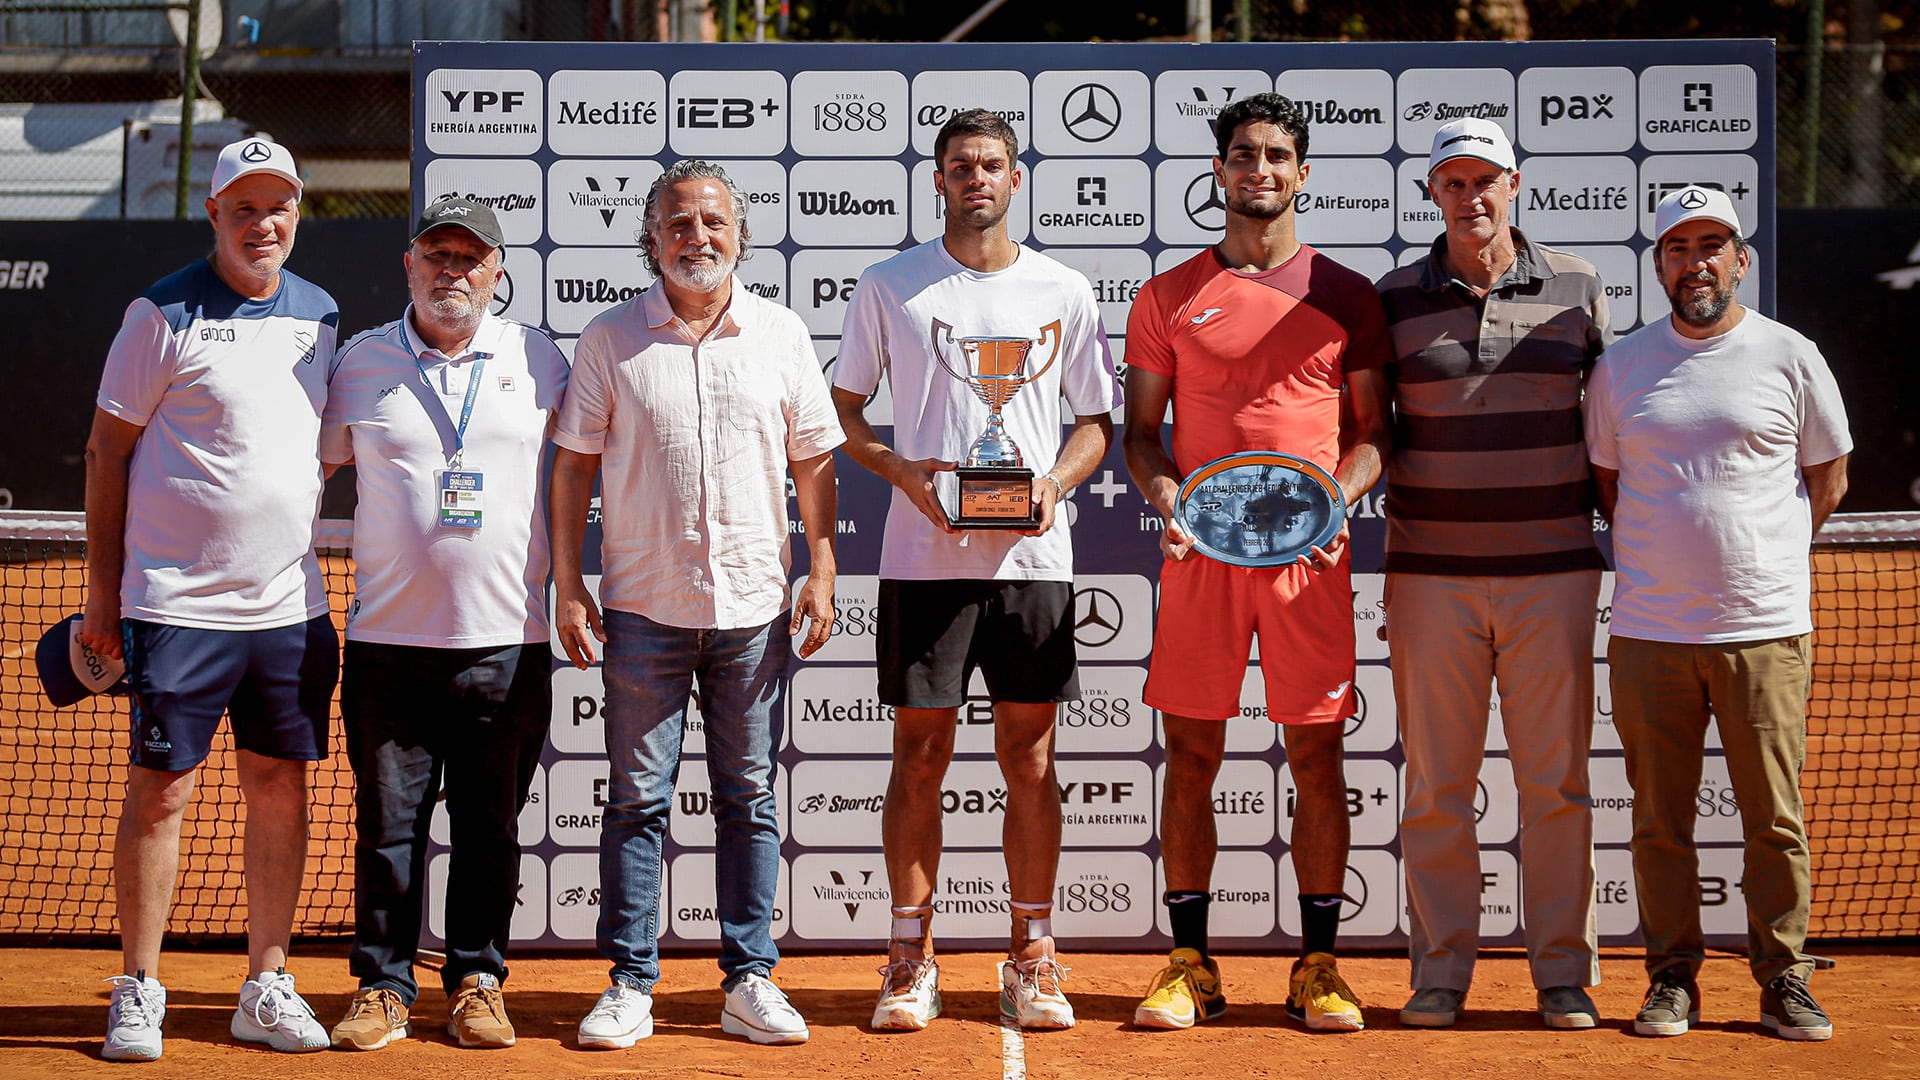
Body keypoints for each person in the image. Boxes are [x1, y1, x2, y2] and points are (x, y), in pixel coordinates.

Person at [832, 108, 1119, 1032]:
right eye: (960, 165)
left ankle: (1032, 953)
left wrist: (1054, 487)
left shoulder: (1064, 289)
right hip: (924, 561)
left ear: (1016, 178)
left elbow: (1094, 422)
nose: (976, 178)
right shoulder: (891, 286)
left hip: (1033, 559)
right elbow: (843, 411)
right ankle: (909, 956)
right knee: (919, 756)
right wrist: (900, 473)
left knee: (1029, 759)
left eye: (991, 164)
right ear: (939, 179)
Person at [551, 160, 843, 1049]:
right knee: (636, 801)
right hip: (642, 608)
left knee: (748, 797)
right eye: (679, 224)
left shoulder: (784, 334)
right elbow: (572, 466)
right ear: (652, 240)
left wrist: (821, 566)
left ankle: (750, 978)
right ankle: (631, 982)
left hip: (754, 606)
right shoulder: (609, 339)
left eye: (714, 222)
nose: (698, 238)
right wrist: (569, 583)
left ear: (740, 236)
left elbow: (815, 463)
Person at [1121, 92, 1391, 1033]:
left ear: (1302, 173)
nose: (1260, 170)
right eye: (1243, 154)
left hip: (1306, 562)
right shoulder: (1167, 296)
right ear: (1219, 169)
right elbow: (1142, 438)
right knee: (1191, 754)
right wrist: (1167, 500)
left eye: (1278, 155)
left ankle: (1319, 964)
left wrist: (1336, 501)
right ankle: (1188, 962)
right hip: (1200, 556)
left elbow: (1371, 437)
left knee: (1316, 755)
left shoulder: (1347, 295)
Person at [81, 137, 338, 1061]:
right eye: (244, 207)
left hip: (289, 611)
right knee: (161, 795)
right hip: (177, 606)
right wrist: (103, 599)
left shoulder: (321, 315)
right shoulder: (161, 313)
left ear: (297, 214)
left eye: (278, 207)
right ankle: (140, 987)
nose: (262, 224)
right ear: (215, 213)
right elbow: (107, 455)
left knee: (280, 787)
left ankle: (265, 984)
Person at [1585, 185, 1851, 1042]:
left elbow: (1829, 479)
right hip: (1650, 633)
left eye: (1711, 246)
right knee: (1660, 824)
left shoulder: (1792, 355)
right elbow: (1609, 487)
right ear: (1658, 264)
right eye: (1676, 248)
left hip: (1764, 631)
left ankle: (1783, 980)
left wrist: (1765, 560)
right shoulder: (1621, 366)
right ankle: (1671, 981)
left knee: (1774, 819)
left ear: (1741, 260)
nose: (1694, 262)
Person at [1373, 117, 1610, 1030]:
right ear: (1433, 192)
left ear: (1517, 183)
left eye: (1488, 181)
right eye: (1454, 183)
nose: (1472, 198)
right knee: (1436, 787)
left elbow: (1611, 427)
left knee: (1556, 784)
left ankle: (1562, 974)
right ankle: (1440, 973)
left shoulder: (1581, 287)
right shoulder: (1394, 297)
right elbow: (1369, 430)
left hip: (1554, 574)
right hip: (1430, 579)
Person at [318, 196, 569, 1051]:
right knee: (387, 831)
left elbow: (583, 471)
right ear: (409, 264)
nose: (452, 272)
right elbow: (304, 472)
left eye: (471, 258)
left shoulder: (541, 359)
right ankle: (383, 986)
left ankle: (476, 980)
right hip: (390, 649)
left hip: (510, 643)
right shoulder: (358, 363)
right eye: (437, 255)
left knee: (489, 830)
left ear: (497, 273)